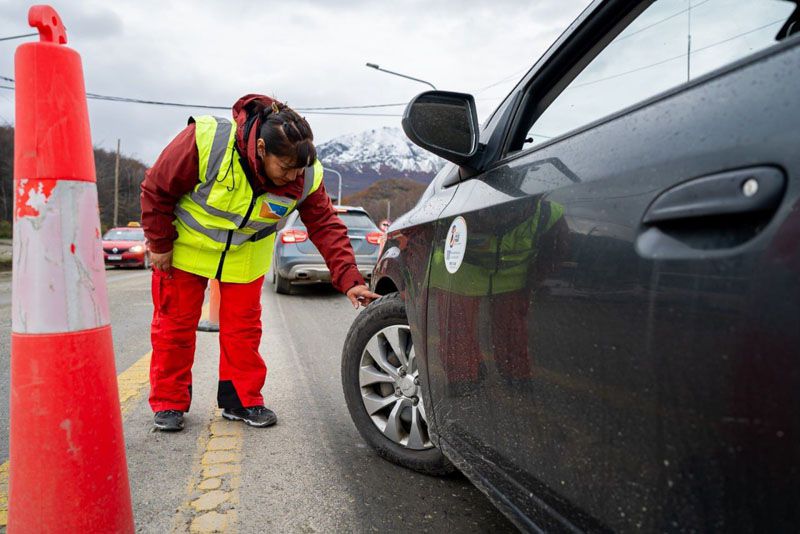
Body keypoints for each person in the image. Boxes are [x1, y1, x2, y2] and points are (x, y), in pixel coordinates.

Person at [140, 94, 380, 432]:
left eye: (299, 168)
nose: (292, 176)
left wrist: (349, 278)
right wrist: (160, 243)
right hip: (184, 252)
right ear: (263, 149)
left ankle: (240, 401)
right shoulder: (207, 140)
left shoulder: (305, 177)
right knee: (174, 329)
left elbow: (325, 225)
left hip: (244, 258)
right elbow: (156, 189)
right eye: (285, 168)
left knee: (243, 334)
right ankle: (169, 403)